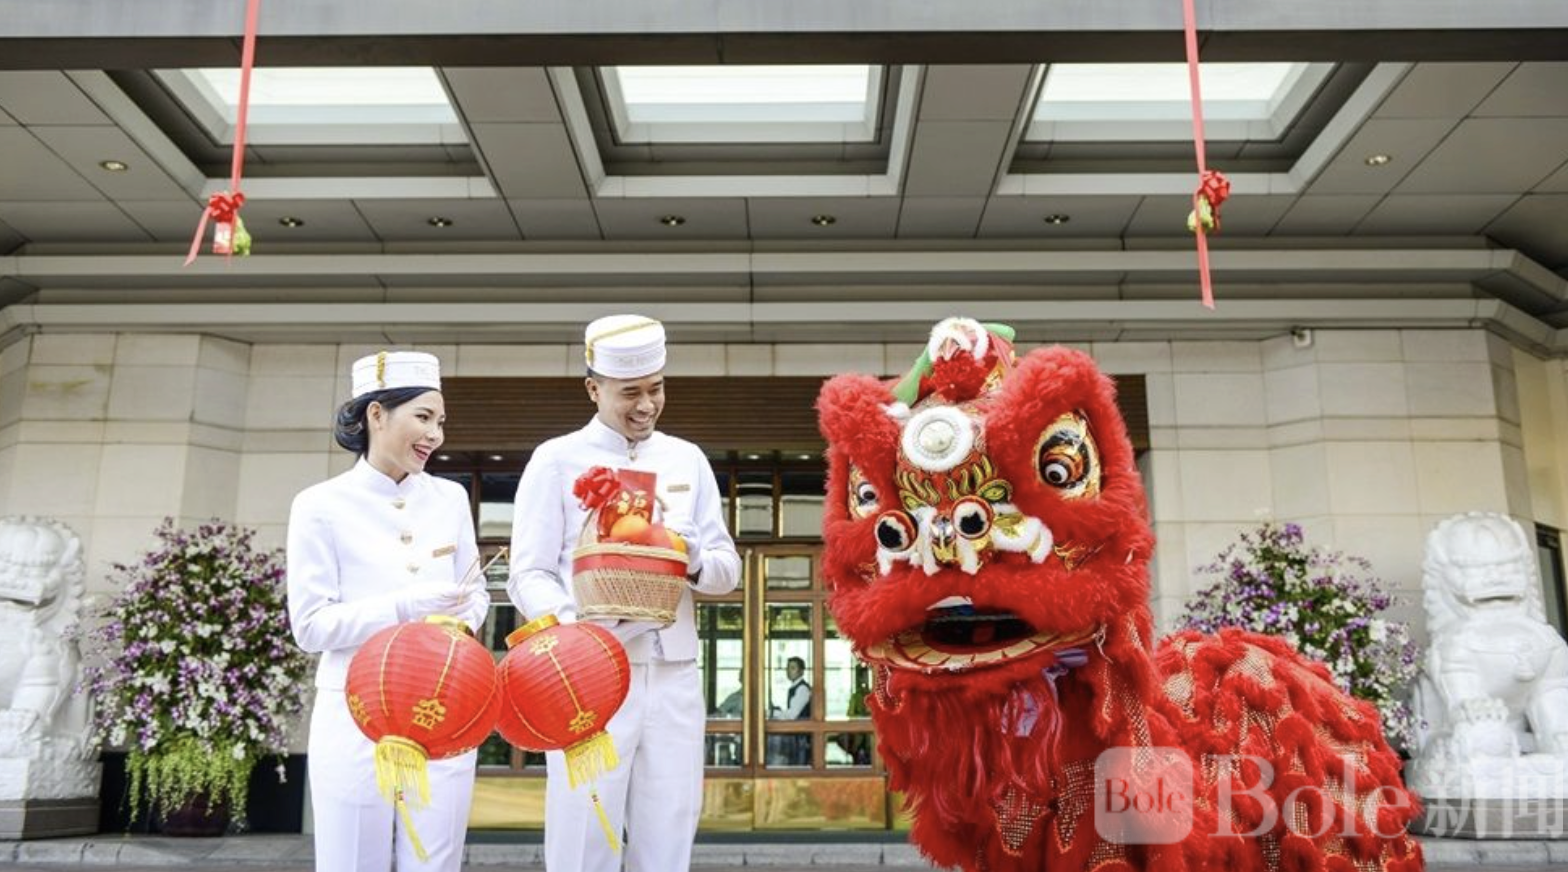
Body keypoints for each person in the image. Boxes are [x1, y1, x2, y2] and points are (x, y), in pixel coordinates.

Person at [508, 314, 741, 872]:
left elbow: (726, 568)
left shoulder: (687, 459)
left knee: (670, 829)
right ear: (593, 388)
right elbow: (527, 573)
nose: (645, 405)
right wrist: (576, 628)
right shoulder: (555, 459)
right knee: (584, 829)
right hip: (588, 678)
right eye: (629, 393)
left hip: (673, 672)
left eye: (656, 389)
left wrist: (691, 558)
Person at [286, 351, 490, 872]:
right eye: (423, 417)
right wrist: (402, 607)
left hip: (442, 707)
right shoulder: (320, 504)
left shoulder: (449, 498)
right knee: (352, 859)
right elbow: (310, 627)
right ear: (376, 415)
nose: (436, 435)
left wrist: (466, 614)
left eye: (441, 421)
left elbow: (476, 590)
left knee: (437, 859)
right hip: (355, 712)